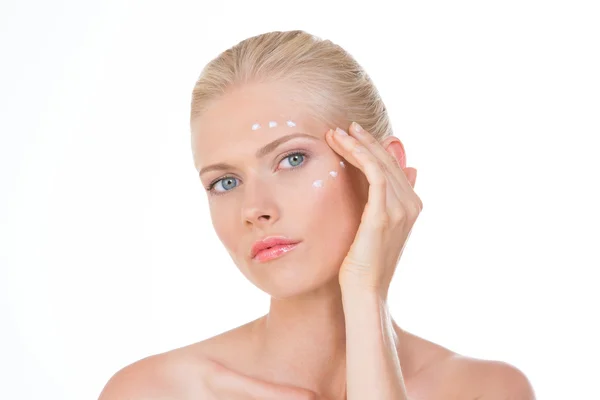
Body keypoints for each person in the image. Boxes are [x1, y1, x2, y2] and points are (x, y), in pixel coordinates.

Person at [98, 30, 536, 400]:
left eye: (291, 160)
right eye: (225, 182)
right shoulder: (155, 391)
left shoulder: (486, 389)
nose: (255, 210)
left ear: (383, 169)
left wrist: (367, 295)